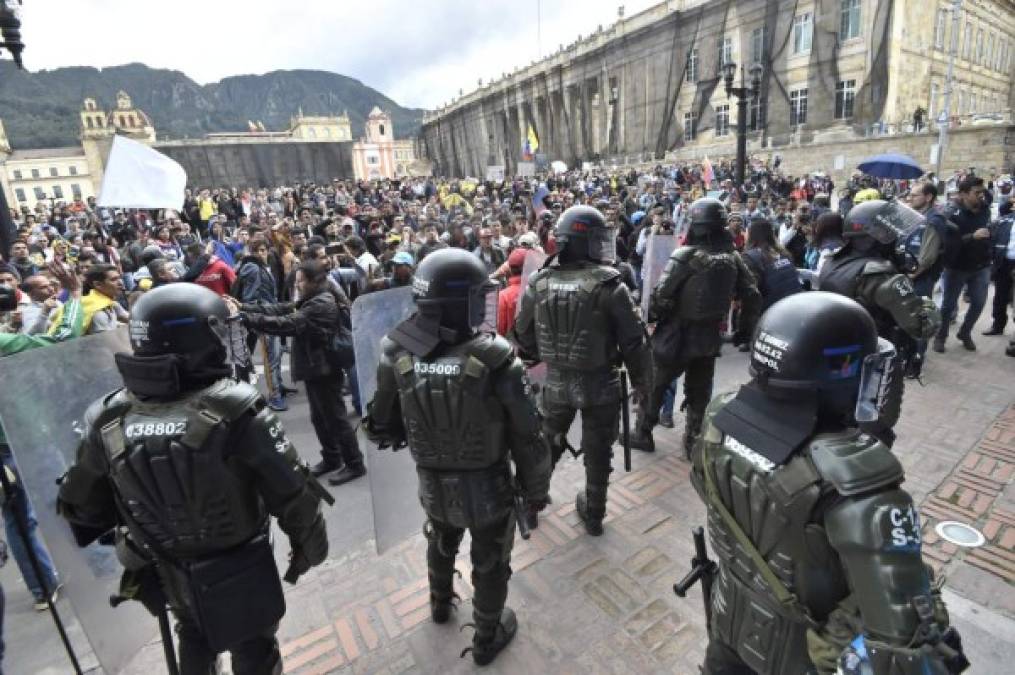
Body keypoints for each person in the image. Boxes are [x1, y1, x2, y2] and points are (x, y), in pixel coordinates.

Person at [57, 284, 330, 675]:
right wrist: (311, 549)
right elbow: (294, 494)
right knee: (254, 645)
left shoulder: (106, 417)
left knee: (193, 632)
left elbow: (80, 506)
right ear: (199, 339)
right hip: (240, 561)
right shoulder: (236, 410)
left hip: (164, 562)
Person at [690, 291, 969, 675]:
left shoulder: (720, 415)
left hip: (728, 620)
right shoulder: (859, 482)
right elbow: (903, 640)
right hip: (799, 657)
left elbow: (707, 487)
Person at [364, 248, 550, 665]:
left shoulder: (396, 352)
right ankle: (486, 638)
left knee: (441, 538)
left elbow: (380, 423)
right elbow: (529, 438)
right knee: (489, 561)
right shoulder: (499, 359)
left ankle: (438, 603)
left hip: (430, 482)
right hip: (487, 487)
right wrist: (536, 490)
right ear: (462, 302)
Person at [513, 205, 651, 536]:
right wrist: (644, 383)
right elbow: (635, 343)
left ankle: (531, 504)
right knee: (598, 450)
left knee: (547, 444)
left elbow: (522, 334)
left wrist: (541, 353)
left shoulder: (538, 282)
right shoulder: (610, 286)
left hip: (557, 381)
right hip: (600, 384)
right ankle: (594, 514)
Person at [630, 198, 759, 456]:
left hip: (676, 335)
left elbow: (660, 297)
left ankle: (643, 432)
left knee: (655, 385)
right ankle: (692, 440)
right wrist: (744, 331)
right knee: (699, 391)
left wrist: (654, 315)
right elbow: (752, 294)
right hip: (709, 335)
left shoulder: (685, 255)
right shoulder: (733, 257)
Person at [231, 261, 365, 484]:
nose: (297, 284)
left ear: (314, 281)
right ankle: (332, 459)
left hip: (324, 369)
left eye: (301, 280)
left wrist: (246, 318)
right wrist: (244, 307)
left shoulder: (320, 303)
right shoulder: (311, 299)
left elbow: (286, 323)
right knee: (320, 419)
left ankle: (354, 463)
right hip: (315, 368)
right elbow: (281, 308)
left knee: (336, 419)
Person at [819, 200, 940, 383]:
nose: (896, 240)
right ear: (876, 237)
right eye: (890, 234)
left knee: (840, 395)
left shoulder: (832, 261)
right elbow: (922, 326)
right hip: (872, 355)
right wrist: (926, 303)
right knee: (869, 405)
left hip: (836, 347)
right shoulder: (880, 275)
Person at [933, 175, 992, 352]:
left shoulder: (984, 208)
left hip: (981, 265)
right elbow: (948, 244)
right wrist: (972, 237)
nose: (981, 196)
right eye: (976, 193)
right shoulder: (950, 213)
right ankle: (941, 336)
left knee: (979, 302)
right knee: (948, 306)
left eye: (982, 192)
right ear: (963, 194)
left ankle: (965, 332)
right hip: (956, 267)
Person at [236, 239, 287, 411]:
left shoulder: (261, 267)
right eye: (259, 250)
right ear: (252, 252)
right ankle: (275, 395)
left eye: (264, 250)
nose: (262, 253)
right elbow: (251, 296)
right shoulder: (252, 267)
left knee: (276, 355)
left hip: (269, 315)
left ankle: (279, 387)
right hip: (263, 317)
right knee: (271, 357)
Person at [984, 198, 1014, 336]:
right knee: (1000, 297)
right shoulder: (1004, 221)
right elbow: (992, 240)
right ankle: (998, 325)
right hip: (1004, 263)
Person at [496, 248, 528, 335]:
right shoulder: (538, 289)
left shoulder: (504, 296)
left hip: (513, 345)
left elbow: (501, 329)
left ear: (509, 269)